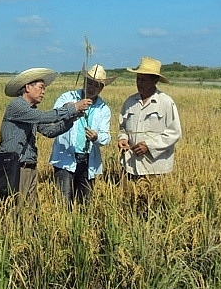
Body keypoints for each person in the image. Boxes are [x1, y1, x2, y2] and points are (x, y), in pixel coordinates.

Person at [0, 67, 92, 212]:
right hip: (15, 167)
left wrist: (71, 120)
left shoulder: (30, 111)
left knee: (29, 210)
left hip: (28, 166)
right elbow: (44, 117)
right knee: (15, 209)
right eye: (41, 87)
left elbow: (49, 131)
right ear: (28, 87)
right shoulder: (17, 106)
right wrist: (73, 108)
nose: (43, 92)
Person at [117, 56, 182, 214]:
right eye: (138, 79)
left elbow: (175, 132)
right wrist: (123, 139)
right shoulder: (130, 102)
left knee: (153, 208)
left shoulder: (166, 102)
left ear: (154, 81)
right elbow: (122, 127)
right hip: (130, 166)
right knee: (128, 206)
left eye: (143, 80)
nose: (139, 83)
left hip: (154, 167)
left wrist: (149, 146)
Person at [49, 64, 117, 207]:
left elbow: (107, 137)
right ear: (84, 82)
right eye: (89, 83)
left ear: (101, 88)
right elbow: (54, 117)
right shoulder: (68, 97)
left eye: (96, 85)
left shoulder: (103, 108)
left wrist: (96, 137)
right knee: (63, 202)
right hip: (65, 157)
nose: (91, 87)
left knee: (85, 203)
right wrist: (72, 108)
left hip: (88, 160)